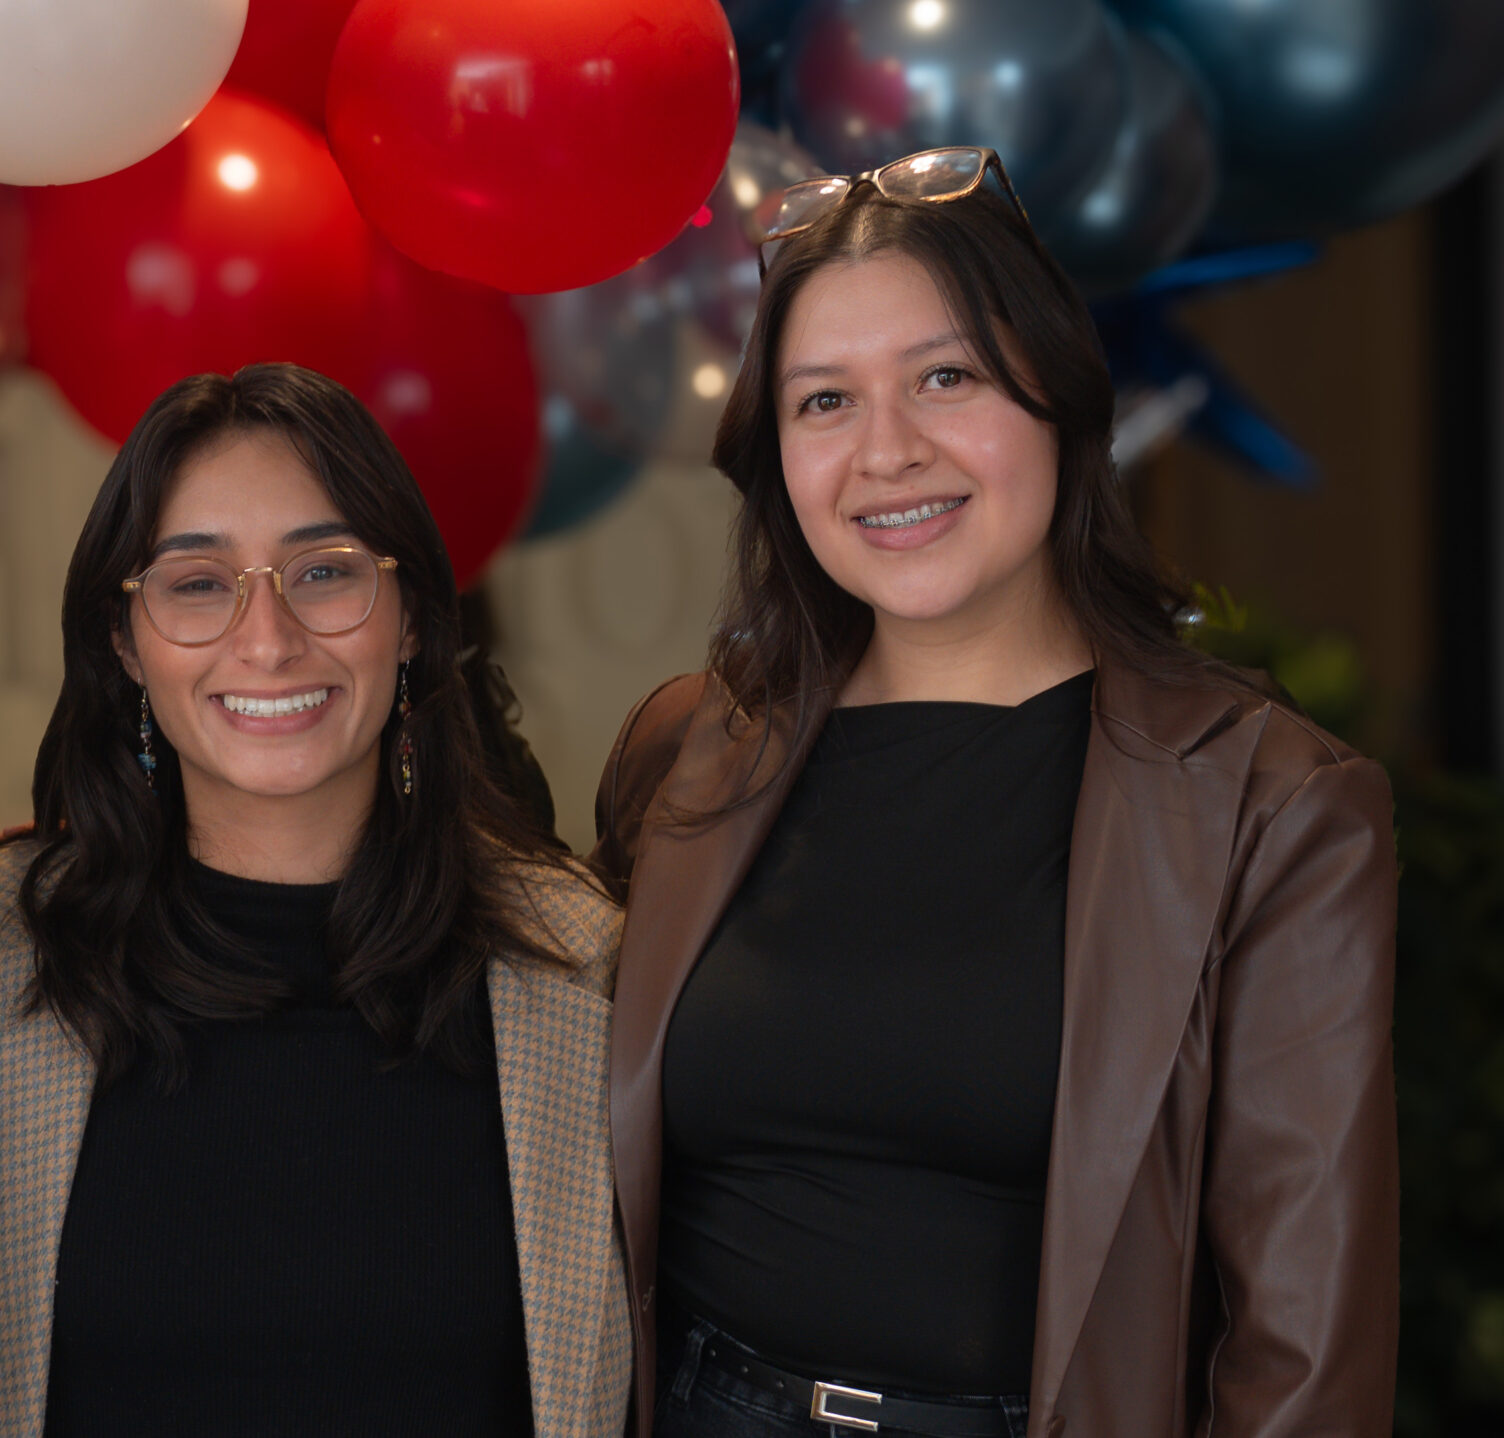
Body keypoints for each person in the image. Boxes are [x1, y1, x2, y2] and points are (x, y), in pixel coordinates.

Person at [590, 148, 1398, 1438]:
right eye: (821, 402)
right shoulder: (688, 751)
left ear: (1062, 399)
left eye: (945, 377)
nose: (885, 453)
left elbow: (1303, 1355)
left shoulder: (1272, 807)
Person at [0, 363, 630, 1437]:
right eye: (197, 582)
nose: (266, 638)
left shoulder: (583, 967)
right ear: (125, 644)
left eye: (325, 571)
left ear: (411, 621)